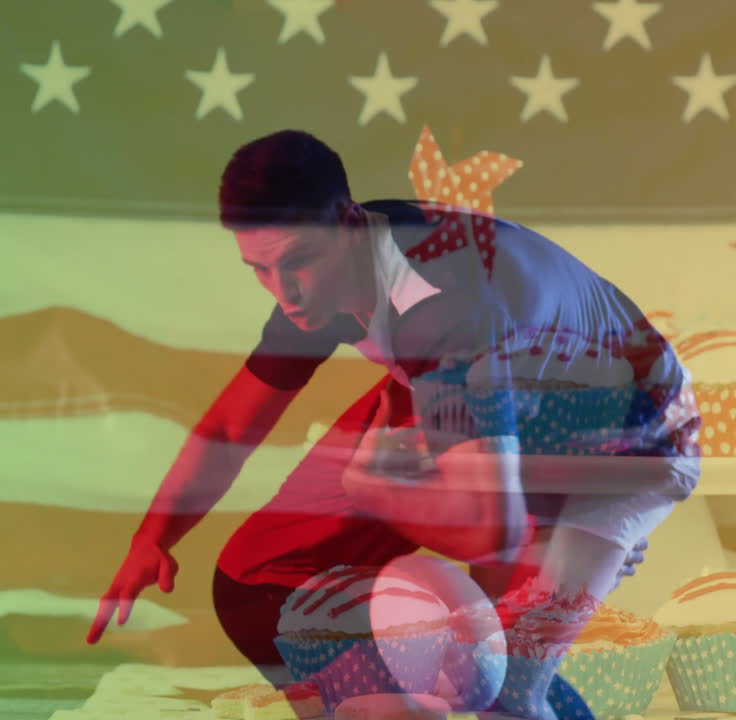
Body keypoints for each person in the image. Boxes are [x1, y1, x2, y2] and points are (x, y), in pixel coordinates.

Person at [85, 130, 701, 718]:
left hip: (625, 445)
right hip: (491, 392)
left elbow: (492, 530)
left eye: (297, 262)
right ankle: (398, 700)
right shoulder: (332, 271)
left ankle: (458, 668)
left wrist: (372, 489)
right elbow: (231, 425)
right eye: (259, 269)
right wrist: (154, 538)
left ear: (348, 223)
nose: (285, 293)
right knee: (254, 580)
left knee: (503, 688)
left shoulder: (441, 308)